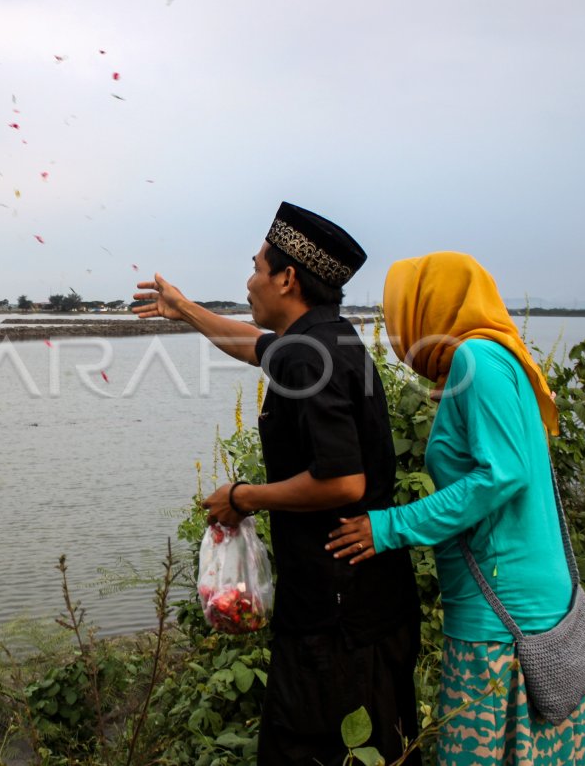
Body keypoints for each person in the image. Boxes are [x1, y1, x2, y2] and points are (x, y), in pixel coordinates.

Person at [133, 201, 421, 765]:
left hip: (338, 619)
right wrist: (184, 308)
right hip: (367, 604)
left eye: (257, 268)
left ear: (287, 277)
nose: (248, 282)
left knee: (314, 751)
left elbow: (343, 482)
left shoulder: (308, 357)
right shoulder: (323, 339)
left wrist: (242, 498)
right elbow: (250, 345)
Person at [327, 252, 585, 765]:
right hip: (518, 604)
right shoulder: (496, 358)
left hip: (503, 617)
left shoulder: (477, 362)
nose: (393, 328)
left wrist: (388, 526)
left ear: (426, 308)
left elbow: (501, 475)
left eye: (397, 313)